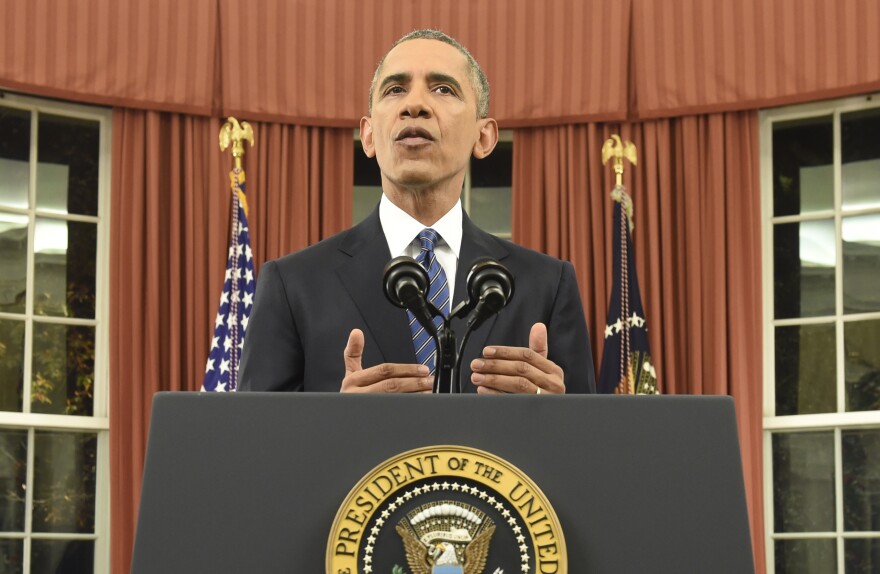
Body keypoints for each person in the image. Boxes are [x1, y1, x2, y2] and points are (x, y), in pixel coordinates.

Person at [239, 30, 596, 394]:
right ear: (369, 136)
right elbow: (252, 444)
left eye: (443, 89)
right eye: (395, 90)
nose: (415, 106)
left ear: (484, 137)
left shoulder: (548, 286)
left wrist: (558, 419)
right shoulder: (292, 285)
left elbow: (589, 445)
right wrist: (335, 427)